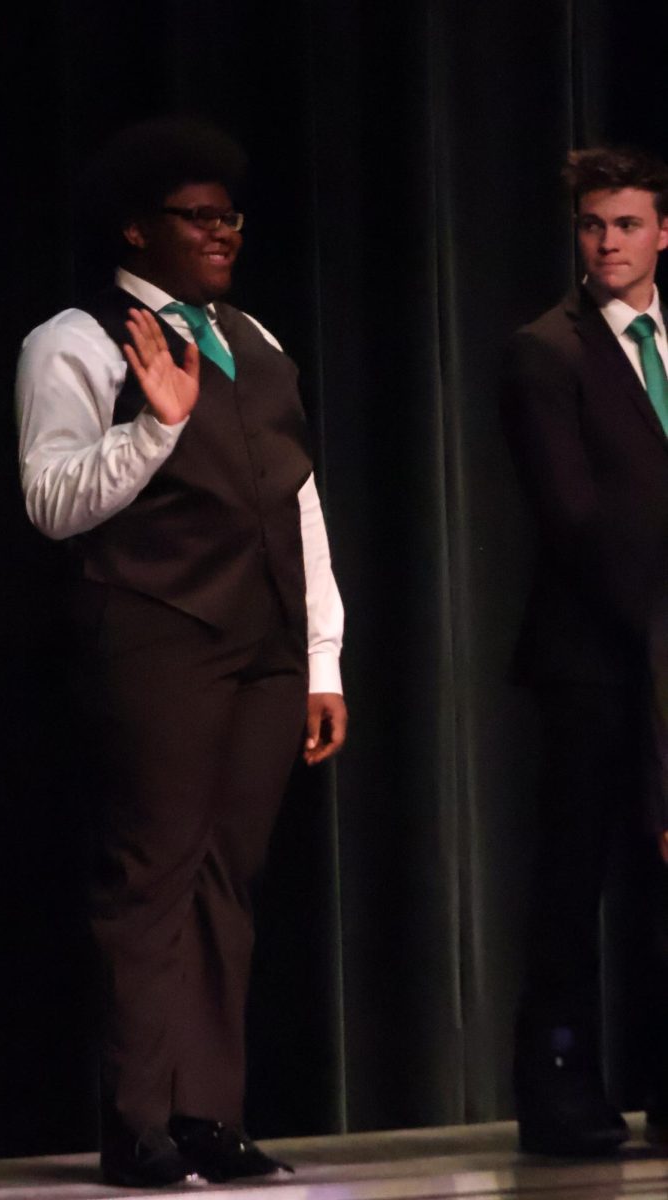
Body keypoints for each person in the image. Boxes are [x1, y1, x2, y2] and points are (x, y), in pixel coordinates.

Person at [15, 117, 346, 1187]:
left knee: (227, 878)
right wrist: (151, 429)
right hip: (155, 630)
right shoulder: (73, 339)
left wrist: (323, 657)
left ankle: (209, 1115)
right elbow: (50, 499)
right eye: (198, 217)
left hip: (262, 641)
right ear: (135, 228)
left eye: (229, 217)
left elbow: (298, 500)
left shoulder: (253, 339)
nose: (222, 233)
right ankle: (139, 1123)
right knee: (151, 876)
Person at [501, 145, 668, 1156]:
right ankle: (559, 1086)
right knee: (574, 877)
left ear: (663, 232)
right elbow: (573, 515)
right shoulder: (544, 350)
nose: (605, 242)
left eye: (625, 224)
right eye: (591, 225)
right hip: (595, 659)